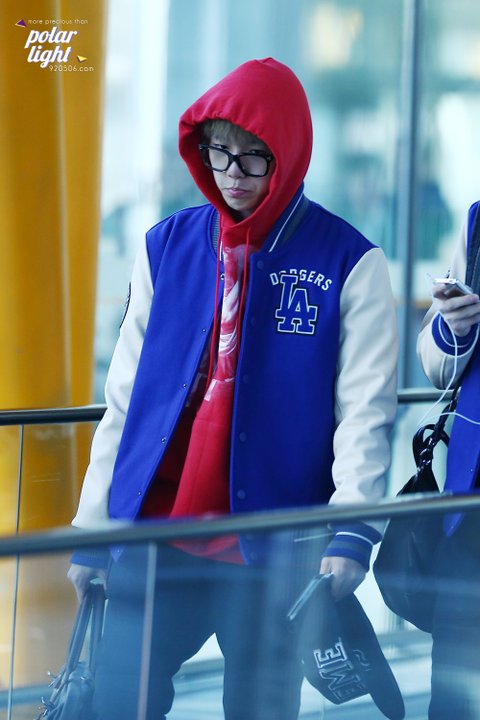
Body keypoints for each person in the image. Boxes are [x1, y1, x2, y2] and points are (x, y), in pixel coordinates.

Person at [68, 57, 398, 720]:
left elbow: (365, 411)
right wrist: (93, 528)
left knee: (259, 710)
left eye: (255, 157)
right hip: (157, 539)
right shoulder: (166, 246)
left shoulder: (350, 261)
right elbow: (126, 401)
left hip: (274, 551)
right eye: (219, 152)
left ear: (289, 153)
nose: (233, 173)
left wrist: (353, 531)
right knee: (117, 704)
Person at [418, 201, 480, 719]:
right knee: (453, 698)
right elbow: (437, 368)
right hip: (472, 511)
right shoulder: (478, 223)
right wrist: (454, 327)